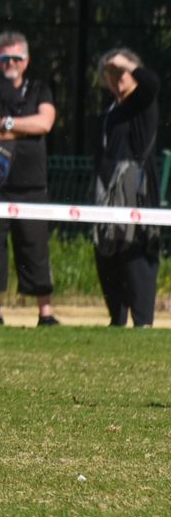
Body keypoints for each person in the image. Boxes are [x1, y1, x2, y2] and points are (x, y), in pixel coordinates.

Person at [0, 31, 58, 326]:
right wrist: (22, 126)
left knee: (36, 246)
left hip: (33, 182)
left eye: (16, 58)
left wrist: (6, 123)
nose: (11, 63)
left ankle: (45, 312)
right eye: (5, 58)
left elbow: (45, 123)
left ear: (26, 60)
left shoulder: (40, 88)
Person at [93, 48, 160, 327]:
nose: (117, 77)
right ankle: (116, 319)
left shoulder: (143, 102)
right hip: (106, 190)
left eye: (123, 72)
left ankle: (142, 321)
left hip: (139, 191)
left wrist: (123, 63)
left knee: (136, 251)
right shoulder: (109, 109)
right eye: (111, 73)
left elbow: (151, 83)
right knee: (107, 250)